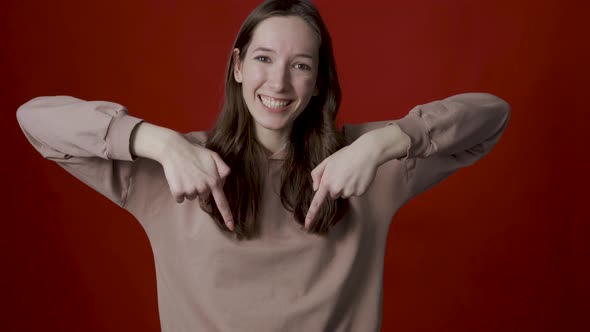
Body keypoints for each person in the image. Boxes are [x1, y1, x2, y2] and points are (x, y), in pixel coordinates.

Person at [16, 0, 511, 330]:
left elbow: (491, 115)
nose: (278, 83)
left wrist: (386, 142)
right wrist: (157, 141)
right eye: (263, 59)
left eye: (300, 65)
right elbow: (35, 118)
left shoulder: (369, 163)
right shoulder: (174, 166)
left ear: (318, 82)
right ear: (237, 66)